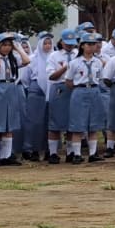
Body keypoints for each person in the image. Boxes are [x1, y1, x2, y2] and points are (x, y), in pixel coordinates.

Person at [0, 33, 30, 166]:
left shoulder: (12, 59)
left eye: (9, 45)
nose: (7, 48)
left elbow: (27, 60)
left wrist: (18, 49)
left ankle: (6, 156)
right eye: (4, 45)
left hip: (11, 87)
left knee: (9, 124)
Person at [64, 33, 106, 163]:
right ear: (82, 46)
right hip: (80, 90)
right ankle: (76, 154)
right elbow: (69, 81)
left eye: (94, 44)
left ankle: (93, 153)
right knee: (78, 124)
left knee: (93, 124)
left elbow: (100, 78)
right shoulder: (74, 63)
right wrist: (79, 88)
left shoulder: (98, 62)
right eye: (89, 44)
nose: (92, 47)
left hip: (94, 90)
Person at [45, 29, 78, 163]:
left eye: (72, 43)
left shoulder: (78, 54)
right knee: (56, 123)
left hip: (75, 88)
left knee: (72, 122)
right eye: (67, 43)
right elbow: (51, 76)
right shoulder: (54, 56)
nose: (70, 46)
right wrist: (65, 67)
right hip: (60, 87)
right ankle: (53, 153)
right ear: (62, 42)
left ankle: (71, 152)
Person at [19, 32, 53, 161]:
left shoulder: (54, 57)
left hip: (51, 91)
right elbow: (24, 78)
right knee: (34, 122)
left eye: (49, 43)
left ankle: (50, 149)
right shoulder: (33, 58)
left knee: (49, 122)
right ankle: (33, 149)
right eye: (45, 43)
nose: (47, 46)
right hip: (35, 91)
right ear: (40, 44)